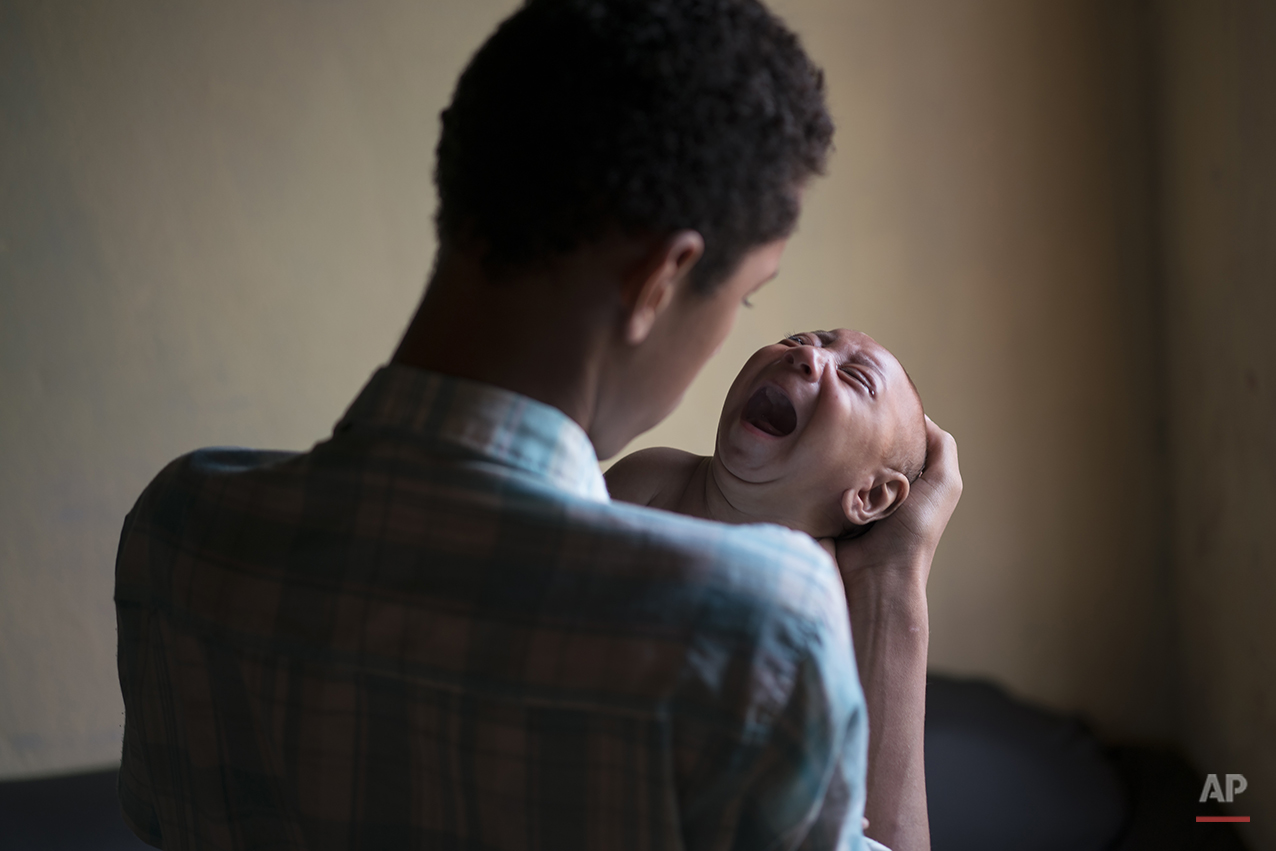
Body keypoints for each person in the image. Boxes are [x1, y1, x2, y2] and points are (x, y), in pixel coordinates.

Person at [113, 1, 961, 849]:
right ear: (661, 280)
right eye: (747, 298)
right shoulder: (758, 635)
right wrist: (894, 589)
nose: (775, 345)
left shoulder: (180, 527)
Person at [605, 329, 928, 542]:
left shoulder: (817, 590)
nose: (808, 355)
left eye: (855, 377)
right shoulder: (653, 477)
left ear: (870, 496)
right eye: (798, 340)